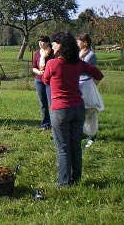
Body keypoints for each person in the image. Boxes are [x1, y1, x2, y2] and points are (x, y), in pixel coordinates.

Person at [43, 31, 103, 188]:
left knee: (63, 147)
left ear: (61, 46)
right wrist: (89, 85)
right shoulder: (79, 63)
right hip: (78, 108)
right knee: (75, 145)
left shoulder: (53, 63)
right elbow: (98, 74)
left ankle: (63, 183)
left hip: (60, 110)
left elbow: (45, 79)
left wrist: (45, 57)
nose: (52, 45)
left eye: (54, 43)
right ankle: (76, 179)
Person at [76, 33, 104, 148]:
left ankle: (92, 136)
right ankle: (83, 132)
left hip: (87, 85)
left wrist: (79, 58)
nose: (77, 43)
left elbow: (80, 67)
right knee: (80, 110)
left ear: (85, 43)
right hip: (78, 85)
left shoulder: (91, 55)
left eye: (79, 41)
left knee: (90, 111)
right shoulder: (79, 54)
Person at [32, 36, 53, 130]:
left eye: (43, 42)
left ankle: (54, 123)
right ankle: (45, 124)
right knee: (42, 102)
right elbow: (33, 67)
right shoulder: (37, 54)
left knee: (51, 102)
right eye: (39, 42)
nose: (40, 43)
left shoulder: (53, 53)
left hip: (50, 81)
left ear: (48, 43)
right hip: (39, 80)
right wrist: (38, 72)